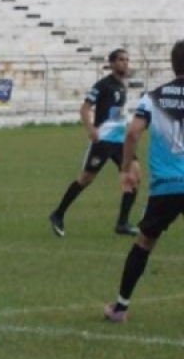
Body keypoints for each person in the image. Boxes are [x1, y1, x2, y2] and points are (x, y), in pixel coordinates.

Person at [103, 40, 184, 323]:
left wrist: (126, 168)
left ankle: (120, 308)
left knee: (144, 243)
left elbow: (133, 133)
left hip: (166, 186)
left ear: (173, 65)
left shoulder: (154, 97)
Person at [49, 49, 141, 237]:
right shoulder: (103, 85)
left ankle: (122, 223)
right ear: (112, 63)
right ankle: (58, 214)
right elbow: (84, 109)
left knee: (134, 176)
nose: (125, 63)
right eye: (121, 60)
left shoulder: (122, 86)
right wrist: (91, 129)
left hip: (120, 142)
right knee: (85, 179)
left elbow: (116, 112)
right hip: (103, 141)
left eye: (127, 60)